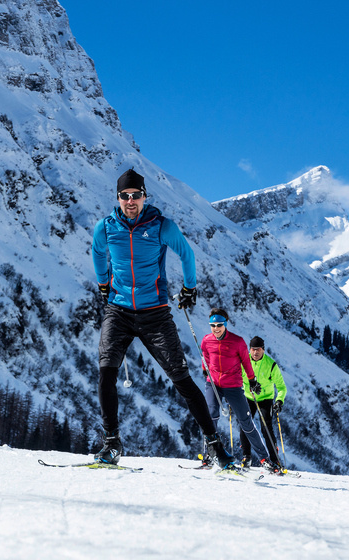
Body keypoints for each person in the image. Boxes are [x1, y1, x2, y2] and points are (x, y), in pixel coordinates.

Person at [90, 168, 233, 467]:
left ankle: (214, 445)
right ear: (117, 198)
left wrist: (189, 287)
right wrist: (103, 283)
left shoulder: (160, 226)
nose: (131, 201)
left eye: (136, 196)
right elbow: (97, 251)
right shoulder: (106, 227)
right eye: (125, 196)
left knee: (182, 380)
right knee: (106, 373)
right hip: (118, 310)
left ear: (145, 196)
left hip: (155, 312)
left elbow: (187, 254)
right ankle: (112, 443)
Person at [200, 307, 280, 472]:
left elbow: (246, 362)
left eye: (219, 325)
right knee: (211, 417)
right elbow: (205, 355)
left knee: (246, 422)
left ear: (225, 324)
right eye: (213, 325)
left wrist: (251, 380)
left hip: (233, 385)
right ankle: (209, 455)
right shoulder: (206, 340)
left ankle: (264, 459)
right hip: (213, 383)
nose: (216, 328)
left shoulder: (237, 342)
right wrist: (204, 369)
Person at [241, 336, 287, 468]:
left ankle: (275, 459)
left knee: (266, 427)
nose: (255, 352)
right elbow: (235, 378)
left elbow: (282, 387)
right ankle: (246, 457)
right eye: (253, 349)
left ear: (263, 350)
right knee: (245, 425)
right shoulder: (243, 362)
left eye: (258, 349)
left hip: (266, 398)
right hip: (248, 397)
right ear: (249, 350)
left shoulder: (271, 365)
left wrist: (279, 401)